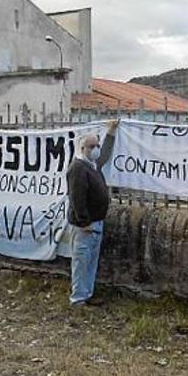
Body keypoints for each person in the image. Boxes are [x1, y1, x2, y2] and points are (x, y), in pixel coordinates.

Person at [66, 119, 118, 306]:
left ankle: (87, 294)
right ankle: (78, 299)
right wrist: (84, 222)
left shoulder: (92, 164)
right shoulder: (78, 168)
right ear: (82, 148)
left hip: (96, 222)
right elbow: (77, 198)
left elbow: (104, 155)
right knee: (81, 261)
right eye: (92, 146)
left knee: (90, 262)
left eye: (97, 145)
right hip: (85, 226)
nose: (96, 149)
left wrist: (111, 132)